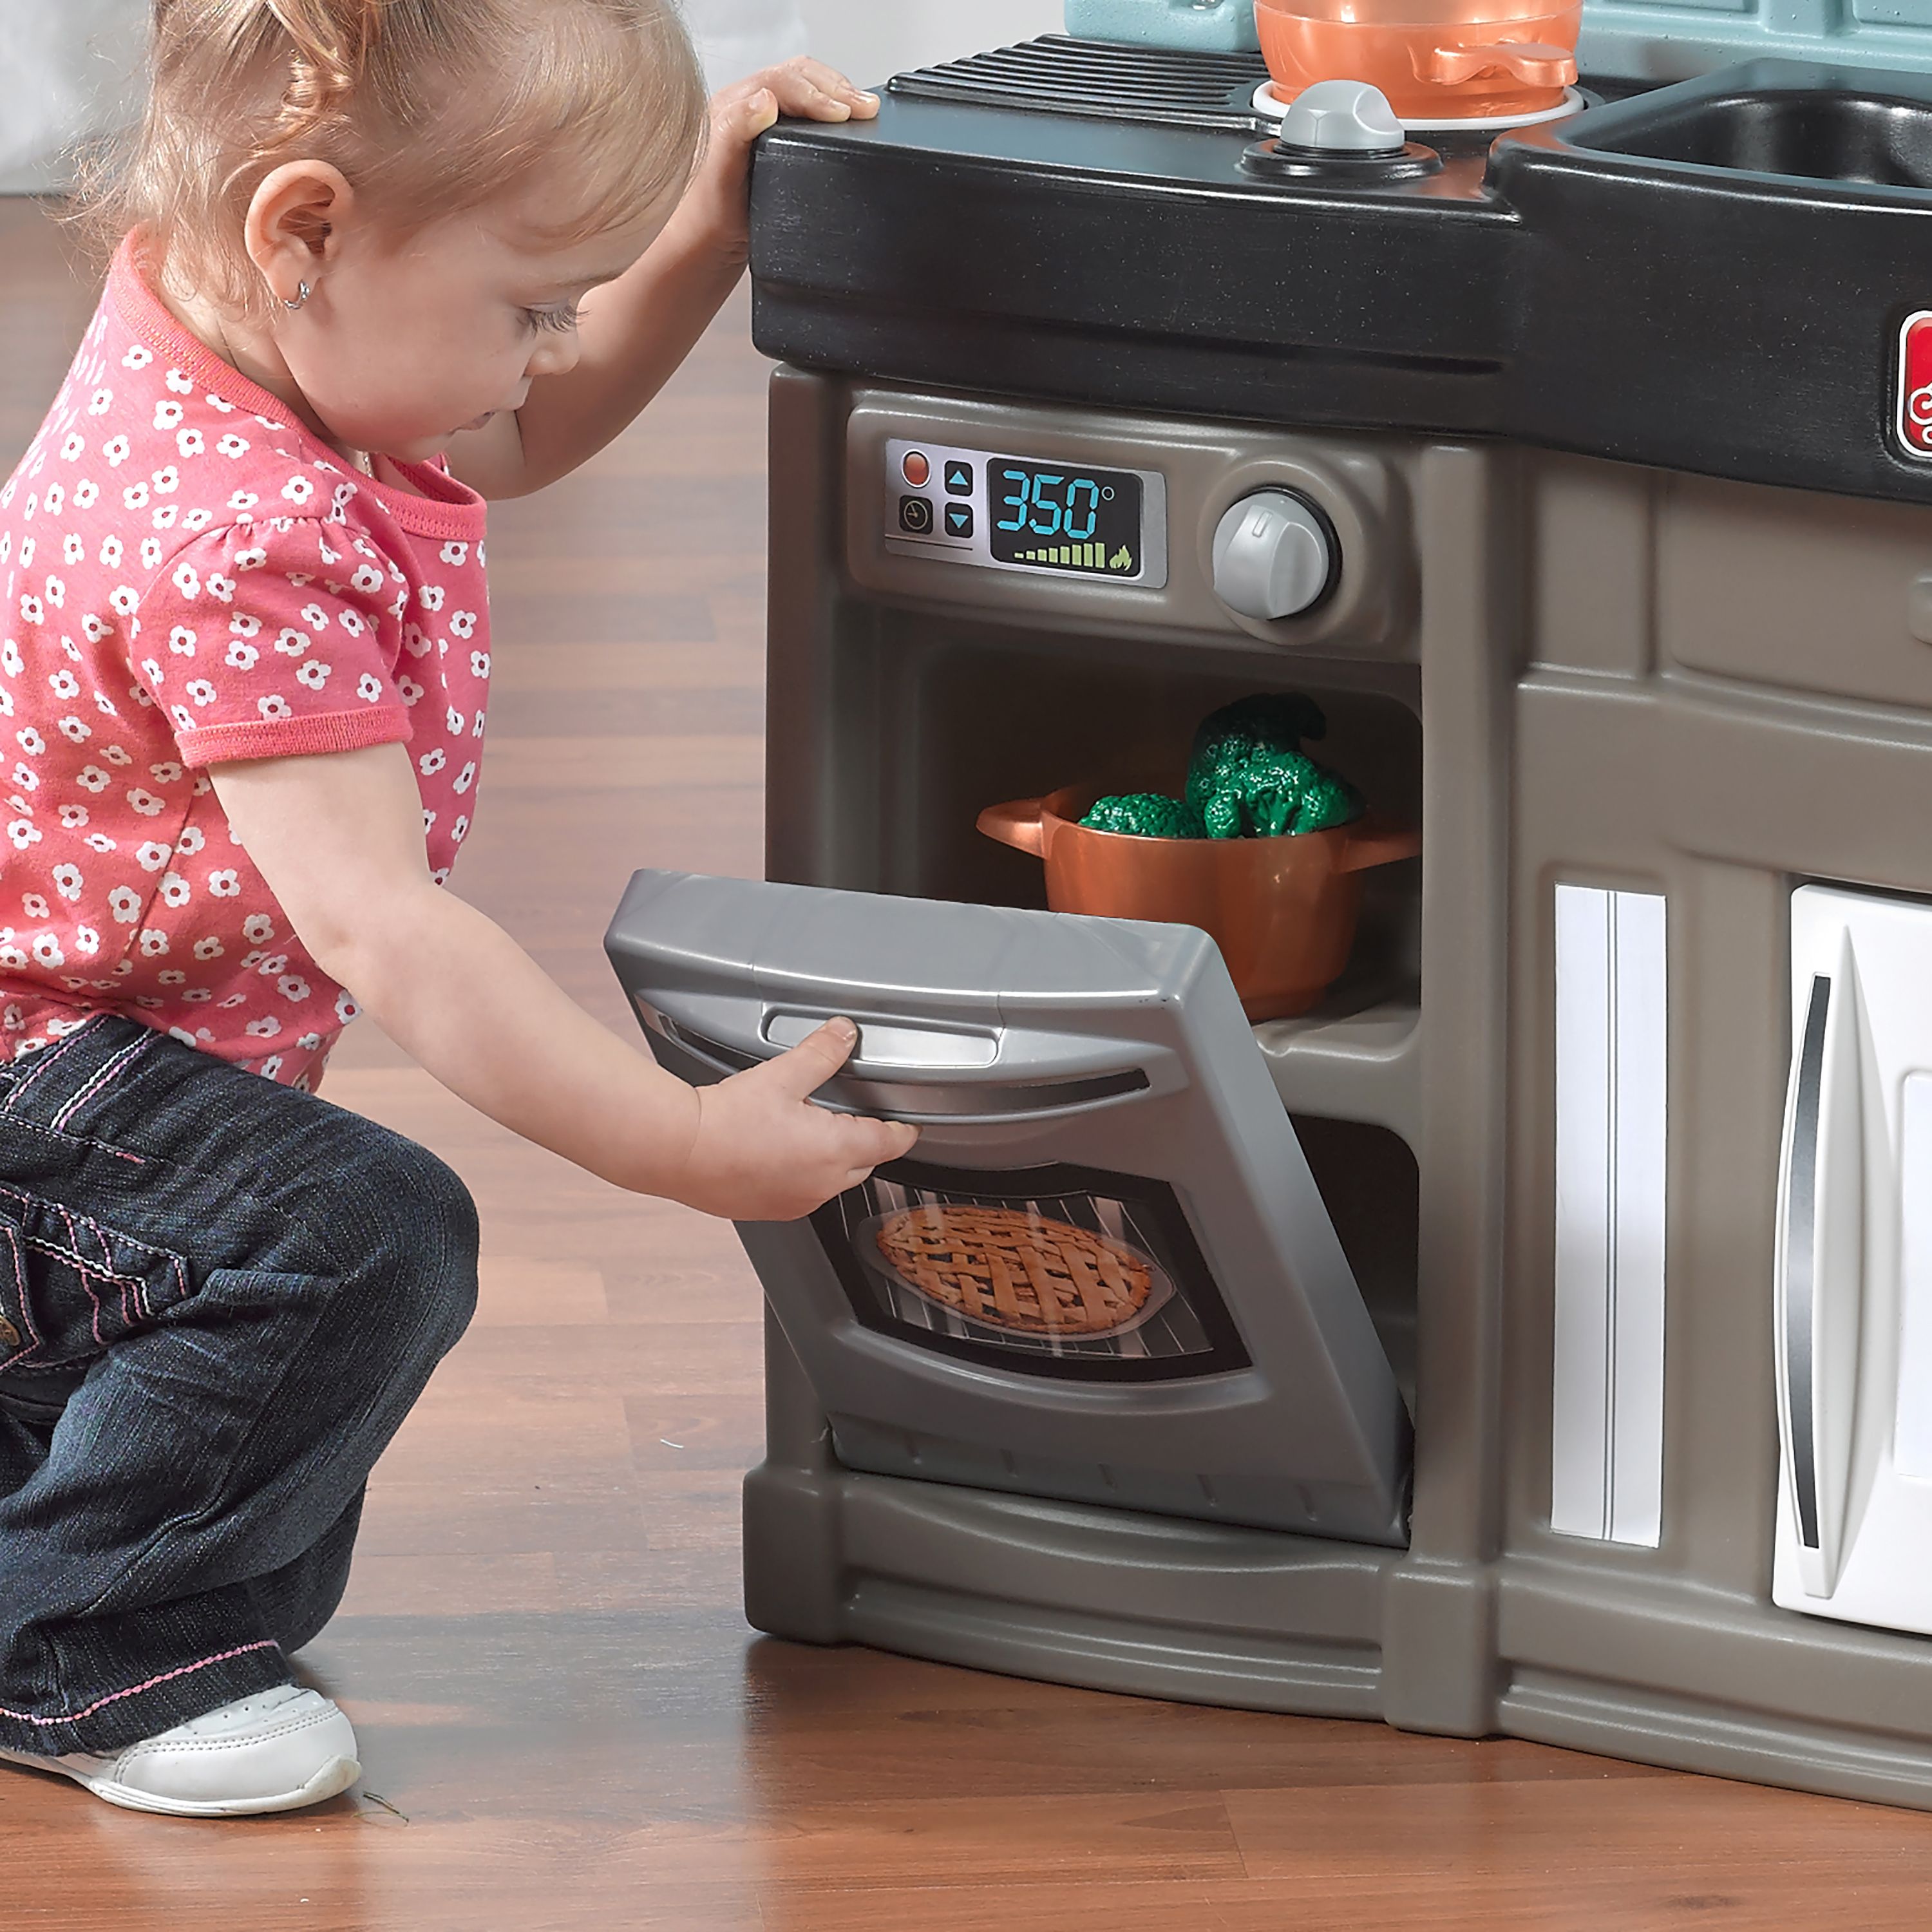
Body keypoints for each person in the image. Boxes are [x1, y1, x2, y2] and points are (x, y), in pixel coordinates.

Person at [0, 0, 908, 1819]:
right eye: (535, 302)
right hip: (42, 1081)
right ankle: (68, 1651)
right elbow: (388, 931)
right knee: (358, 1238)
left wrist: (701, 227)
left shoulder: (238, 315)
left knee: (268, 1541)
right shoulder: (236, 539)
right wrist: (676, 1144)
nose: (554, 347)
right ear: (306, 228)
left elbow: (514, 424)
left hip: (86, 1063)